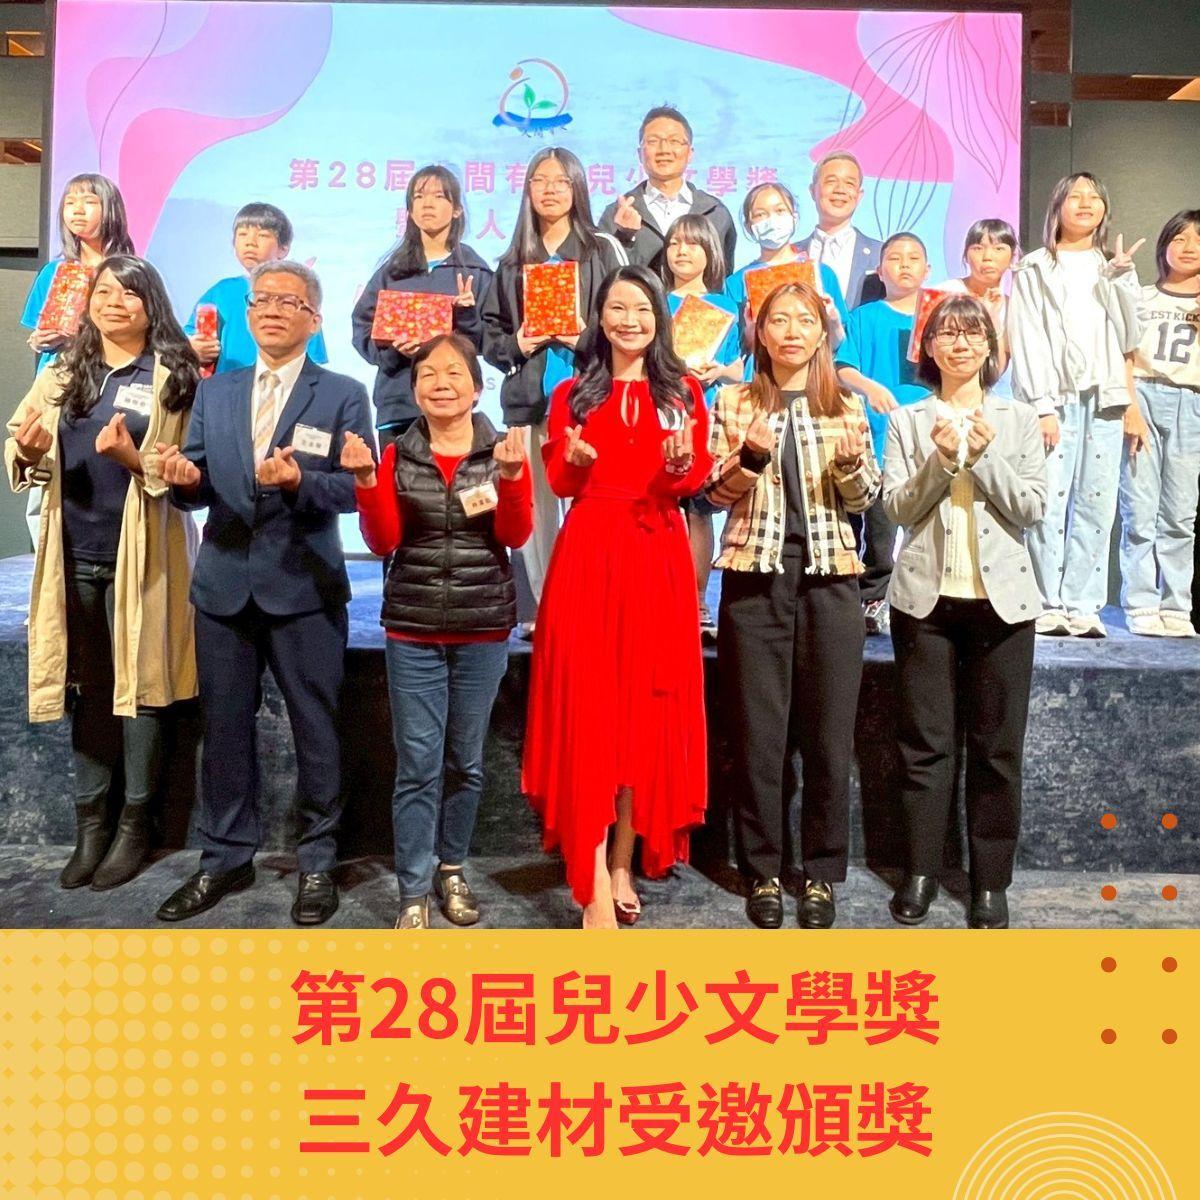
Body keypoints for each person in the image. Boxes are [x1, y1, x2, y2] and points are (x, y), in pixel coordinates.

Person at [155, 261, 374, 926]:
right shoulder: (217, 392)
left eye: (289, 301)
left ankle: (318, 860)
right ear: (248, 314)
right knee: (224, 730)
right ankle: (224, 856)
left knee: (316, 729)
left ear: (314, 319)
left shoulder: (342, 393)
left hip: (304, 585)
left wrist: (299, 483)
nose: (273, 310)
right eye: (262, 300)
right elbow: (197, 479)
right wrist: (182, 479)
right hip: (223, 585)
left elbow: (355, 488)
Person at [522, 264, 712, 929]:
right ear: (599, 318)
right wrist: (573, 462)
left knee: (645, 714)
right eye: (617, 308)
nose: (630, 320)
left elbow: (693, 477)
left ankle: (625, 862)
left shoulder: (684, 392)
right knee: (591, 713)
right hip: (590, 557)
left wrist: (683, 466)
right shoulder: (571, 393)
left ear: (659, 319)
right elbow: (558, 482)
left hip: (657, 556)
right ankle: (593, 874)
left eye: (642, 309)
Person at [5, 256, 199, 891]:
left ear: (152, 304)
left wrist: (133, 457)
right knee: (87, 688)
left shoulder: (174, 375)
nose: (114, 301)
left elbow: (189, 470)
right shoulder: (65, 370)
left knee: (139, 688)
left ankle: (135, 826)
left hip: (144, 557)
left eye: (129, 293)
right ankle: (91, 825)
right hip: (72, 552)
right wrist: (27, 451)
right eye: (105, 291)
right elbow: (20, 440)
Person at [705, 282, 878, 930]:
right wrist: (750, 455)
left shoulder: (846, 403)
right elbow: (712, 492)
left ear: (821, 332)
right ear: (760, 331)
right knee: (760, 736)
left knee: (829, 738)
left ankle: (822, 873)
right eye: (779, 320)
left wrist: (853, 467)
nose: (792, 331)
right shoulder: (735, 400)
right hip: (755, 579)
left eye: (804, 319)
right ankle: (764, 871)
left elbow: (865, 500)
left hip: (830, 580)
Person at [343, 333, 532, 929]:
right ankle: (412, 892)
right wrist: (367, 483)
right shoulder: (396, 454)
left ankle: (452, 869)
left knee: (466, 762)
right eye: (428, 373)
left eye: (454, 373)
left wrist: (512, 478)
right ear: (414, 388)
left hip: (482, 626)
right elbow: (384, 542)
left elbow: (515, 535)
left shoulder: (502, 450)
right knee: (418, 766)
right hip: (414, 627)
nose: (441, 383)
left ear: (477, 388)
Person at [883, 295, 1046, 930]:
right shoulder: (907, 419)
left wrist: (983, 457)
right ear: (928, 348)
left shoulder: (1019, 418)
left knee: (997, 750)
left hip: (1002, 606)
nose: (959, 344)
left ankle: (990, 881)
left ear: (989, 347)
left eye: (972, 334)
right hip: (924, 603)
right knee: (925, 746)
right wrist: (938, 461)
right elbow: (897, 508)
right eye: (946, 334)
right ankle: (921, 871)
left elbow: (1031, 507)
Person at [480, 147, 626, 629]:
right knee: (536, 513)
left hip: (589, 399)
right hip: (528, 403)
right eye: (540, 180)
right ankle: (546, 609)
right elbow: (489, 334)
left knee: (592, 507)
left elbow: (625, 316)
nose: (550, 189)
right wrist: (517, 344)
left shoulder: (601, 250)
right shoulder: (511, 263)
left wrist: (582, 336)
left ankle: (596, 605)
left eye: (561, 181)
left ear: (578, 188)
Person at [1007, 172, 1148, 637]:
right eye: (1075, 196)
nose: (1085, 203)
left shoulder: (1113, 266)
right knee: (1047, 502)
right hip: (1055, 399)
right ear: (1058, 206)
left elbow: (1132, 335)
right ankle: (1046, 601)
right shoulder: (1033, 268)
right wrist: (1041, 405)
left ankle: (1084, 604)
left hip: (1104, 398)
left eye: (1094, 197)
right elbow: (1026, 337)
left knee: (1096, 504)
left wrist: (1122, 279)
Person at [20, 174, 136, 544]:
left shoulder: (129, 271)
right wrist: (40, 339)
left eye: (88, 201)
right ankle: (48, 563)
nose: (76, 210)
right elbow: (37, 332)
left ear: (110, 209)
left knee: (102, 473)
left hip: (109, 385)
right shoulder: (55, 272)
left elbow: (141, 334)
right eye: (69, 203)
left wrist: (80, 336)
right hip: (58, 385)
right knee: (46, 477)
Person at [351, 166, 494, 451]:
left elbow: (488, 342)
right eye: (418, 196)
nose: (427, 204)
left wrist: (465, 315)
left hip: (452, 407)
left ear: (457, 210)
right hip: (398, 405)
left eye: (439, 196)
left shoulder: (474, 272)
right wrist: (393, 352)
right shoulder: (391, 272)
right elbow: (362, 329)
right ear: (409, 211)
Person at [835, 232, 933, 633]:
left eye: (913, 258)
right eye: (895, 258)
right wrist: (871, 388)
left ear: (927, 269)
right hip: (877, 441)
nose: (904, 265)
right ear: (880, 270)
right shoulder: (863, 317)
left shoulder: (937, 316)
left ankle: (923, 599)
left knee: (927, 525)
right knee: (879, 528)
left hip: (930, 440)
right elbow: (842, 367)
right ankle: (875, 596)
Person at [659, 213, 744, 638]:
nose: (681, 251)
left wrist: (719, 371)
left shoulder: (726, 306)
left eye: (691, 244)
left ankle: (696, 601)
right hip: (659, 412)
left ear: (710, 251)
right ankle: (659, 596)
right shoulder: (655, 300)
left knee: (699, 509)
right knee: (660, 508)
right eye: (674, 243)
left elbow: (741, 367)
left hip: (705, 415)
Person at [1118, 210, 1200, 637]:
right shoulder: (1143, 298)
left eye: (1198, 240)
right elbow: (1125, 355)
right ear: (1164, 245)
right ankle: (1141, 602)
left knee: (1180, 515)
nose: (1189, 247)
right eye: (1180, 238)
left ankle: (1176, 605)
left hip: (1192, 403)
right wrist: (1129, 406)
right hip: (1145, 397)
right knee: (1139, 508)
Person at [185, 202, 328, 375]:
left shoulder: (298, 291)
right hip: (228, 384)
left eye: (262, 235)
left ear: (283, 248)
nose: (250, 243)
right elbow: (189, 337)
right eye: (242, 234)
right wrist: (194, 348)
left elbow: (314, 359)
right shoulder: (221, 291)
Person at [599, 104, 738, 275]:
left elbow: (723, 278)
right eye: (653, 141)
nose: (664, 150)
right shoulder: (616, 214)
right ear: (640, 153)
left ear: (690, 153)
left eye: (674, 141)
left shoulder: (715, 212)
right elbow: (604, 277)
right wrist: (624, 237)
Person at [724, 181, 850, 346]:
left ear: (794, 217)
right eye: (760, 214)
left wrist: (833, 322)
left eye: (780, 211)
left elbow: (842, 346)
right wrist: (751, 332)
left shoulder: (822, 274)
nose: (771, 220)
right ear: (749, 226)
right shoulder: (736, 283)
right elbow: (733, 349)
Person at [932, 219, 1019, 394]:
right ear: (965, 255)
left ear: (1013, 256)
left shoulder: (1014, 307)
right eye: (978, 248)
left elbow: (995, 371)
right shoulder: (943, 293)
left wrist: (992, 320)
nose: (987, 257)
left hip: (987, 396)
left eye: (998, 248)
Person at [805, 151, 885, 309]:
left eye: (849, 184)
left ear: (859, 195)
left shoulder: (882, 256)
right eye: (831, 181)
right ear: (813, 191)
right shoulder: (789, 255)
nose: (840, 190)